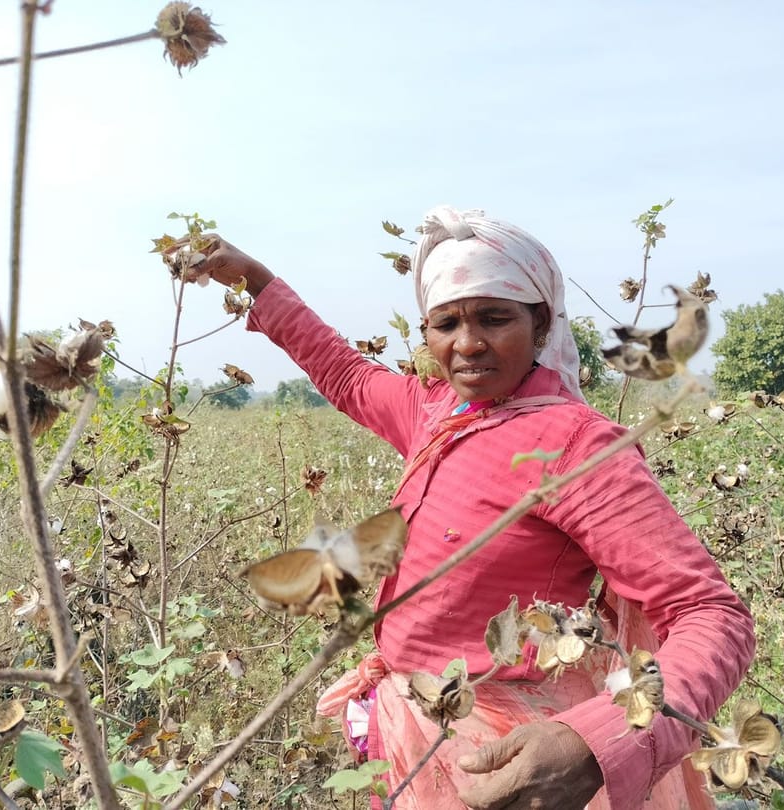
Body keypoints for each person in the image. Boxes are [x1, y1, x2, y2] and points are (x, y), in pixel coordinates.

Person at [190, 206, 755, 809]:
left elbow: (710, 614)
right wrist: (255, 280)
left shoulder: (577, 445)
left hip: (516, 765)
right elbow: (345, 372)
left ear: (541, 324)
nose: (467, 344)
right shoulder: (435, 414)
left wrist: (595, 743)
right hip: (422, 737)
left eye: (493, 318)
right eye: (445, 323)